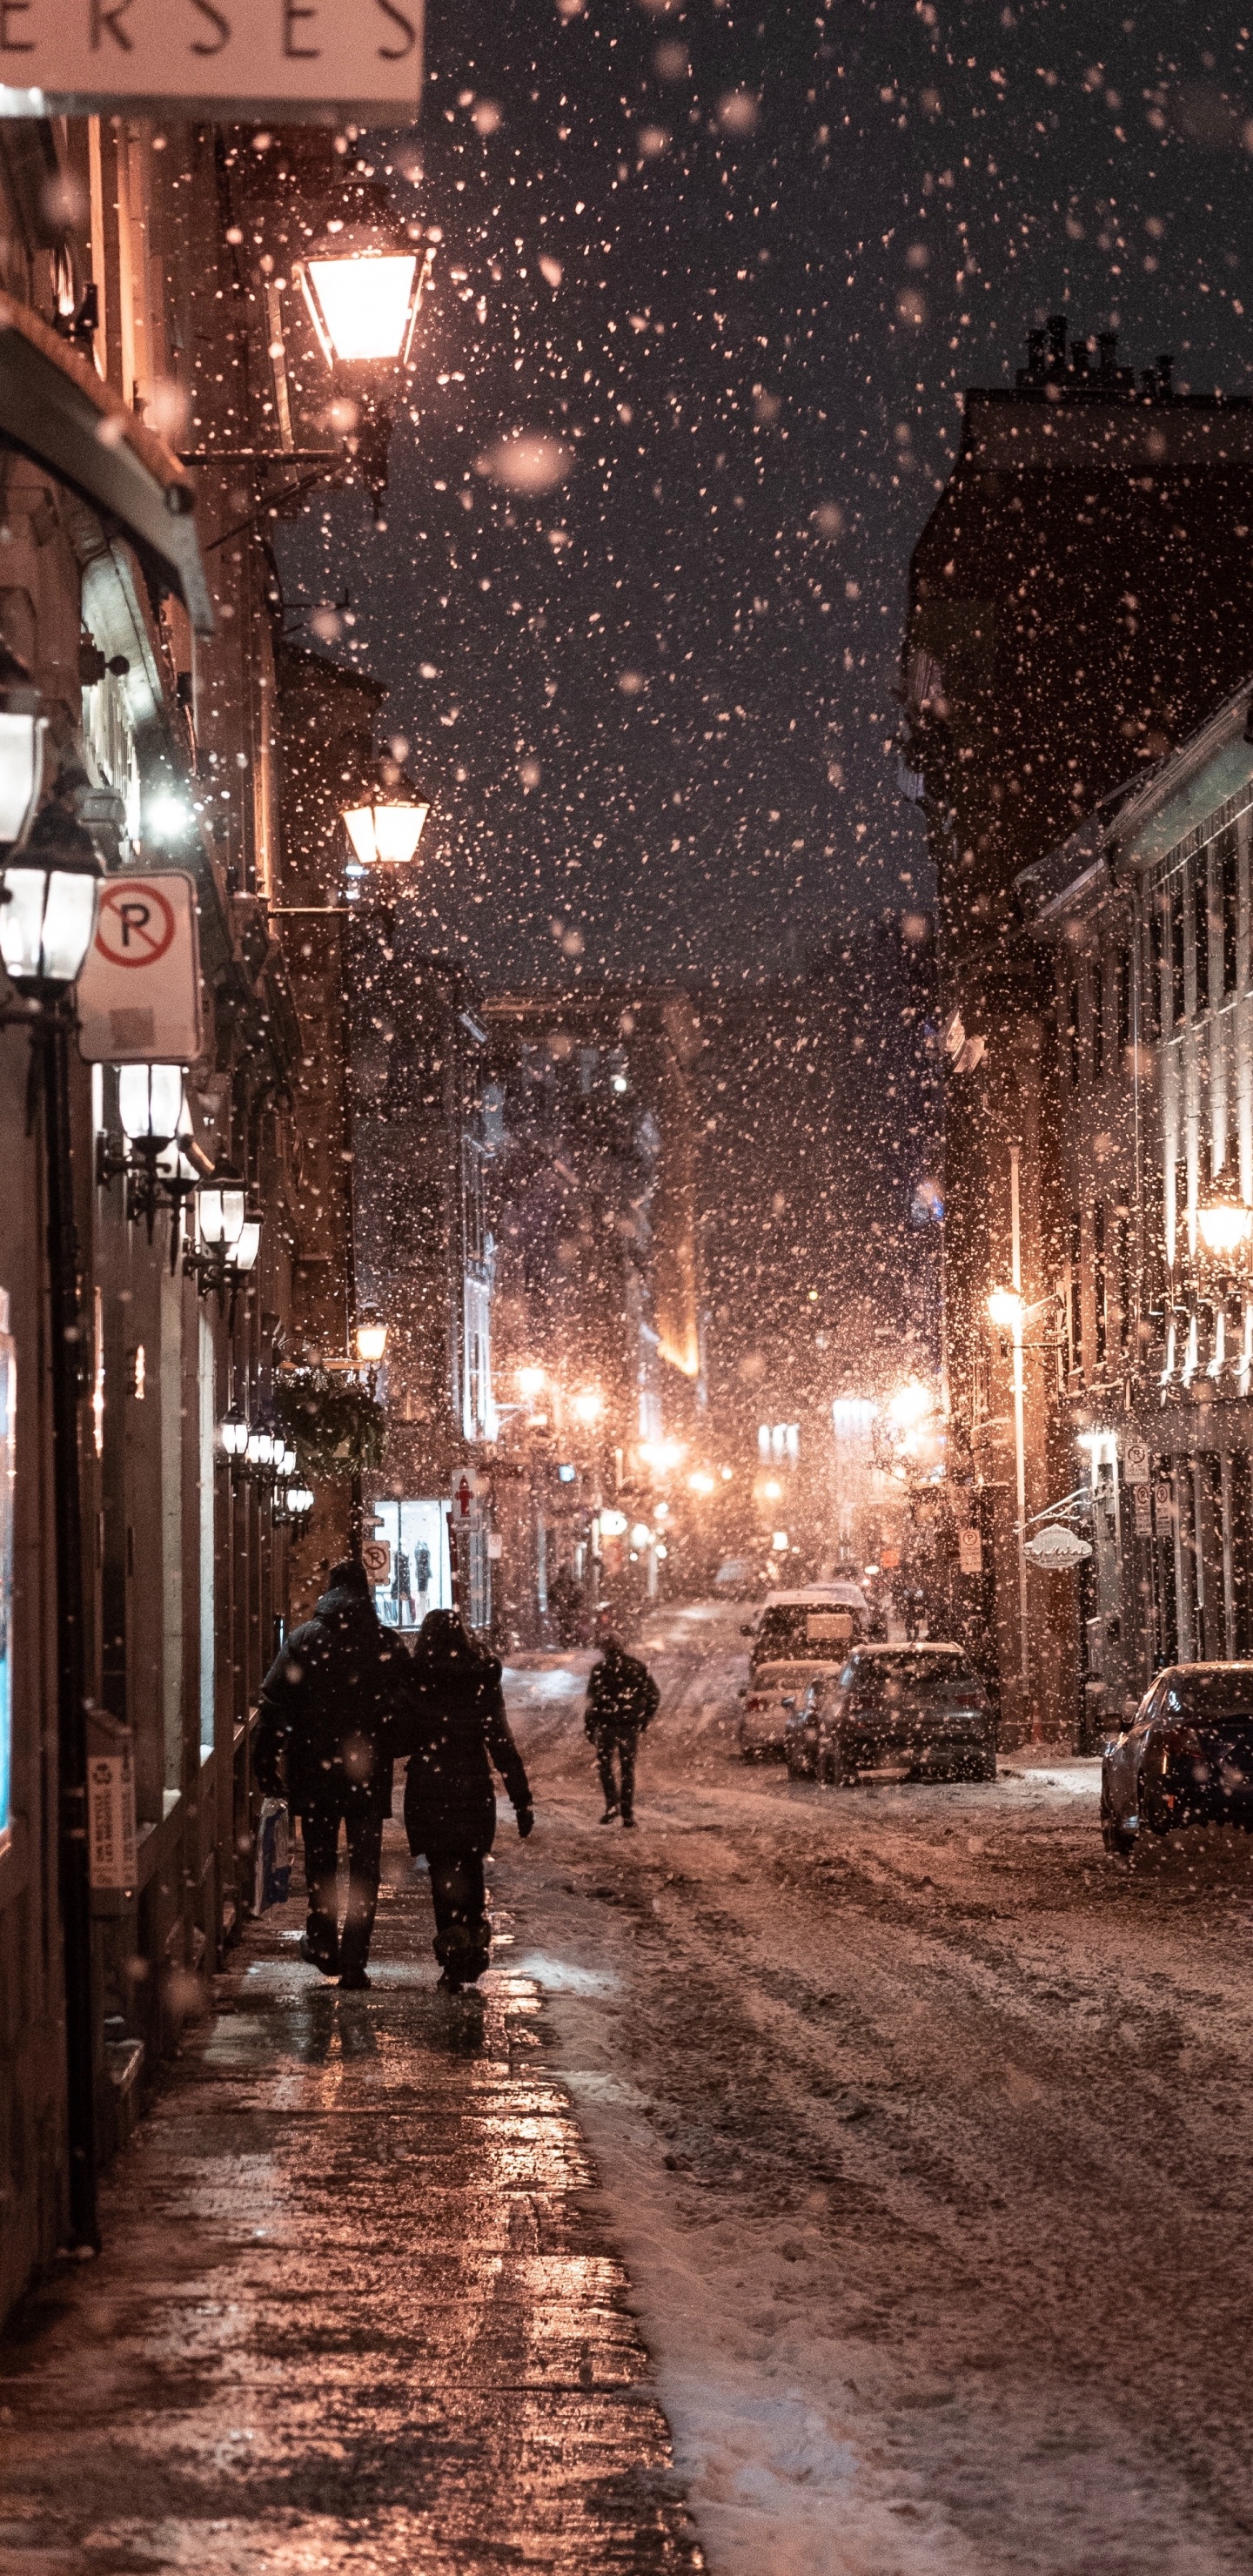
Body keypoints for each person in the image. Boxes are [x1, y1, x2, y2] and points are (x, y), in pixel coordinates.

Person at [254, 1558, 408, 1991]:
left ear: (330, 1590)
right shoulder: (386, 1642)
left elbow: (274, 1704)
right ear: (366, 1593)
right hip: (366, 1774)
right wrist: (388, 1748)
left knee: (320, 1861)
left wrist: (267, 1764)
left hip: (314, 1770)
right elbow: (406, 1708)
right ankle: (356, 1960)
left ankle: (324, 1943)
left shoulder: (305, 1639)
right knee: (364, 1868)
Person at [398, 1607, 533, 1991]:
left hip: (430, 1787)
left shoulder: (417, 1679)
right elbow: (501, 1742)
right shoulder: (481, 1680)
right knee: (471, 1865)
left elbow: (399, 1736)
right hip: (473, 1786)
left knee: (443, 1871)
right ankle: (474, 1939)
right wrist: (521, 1799)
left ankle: (453, 1953)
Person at [584, 1633, 659, 1828]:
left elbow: (594, 1702)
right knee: (627, 1769)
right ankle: (627, 1811)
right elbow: (653, 1694)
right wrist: (644, 1717)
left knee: (605, 1766)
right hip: (628, 1724)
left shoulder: (600, 1669)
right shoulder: (636, 1667)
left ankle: (612, 1805)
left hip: (607, 1724)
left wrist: (591, 1725)